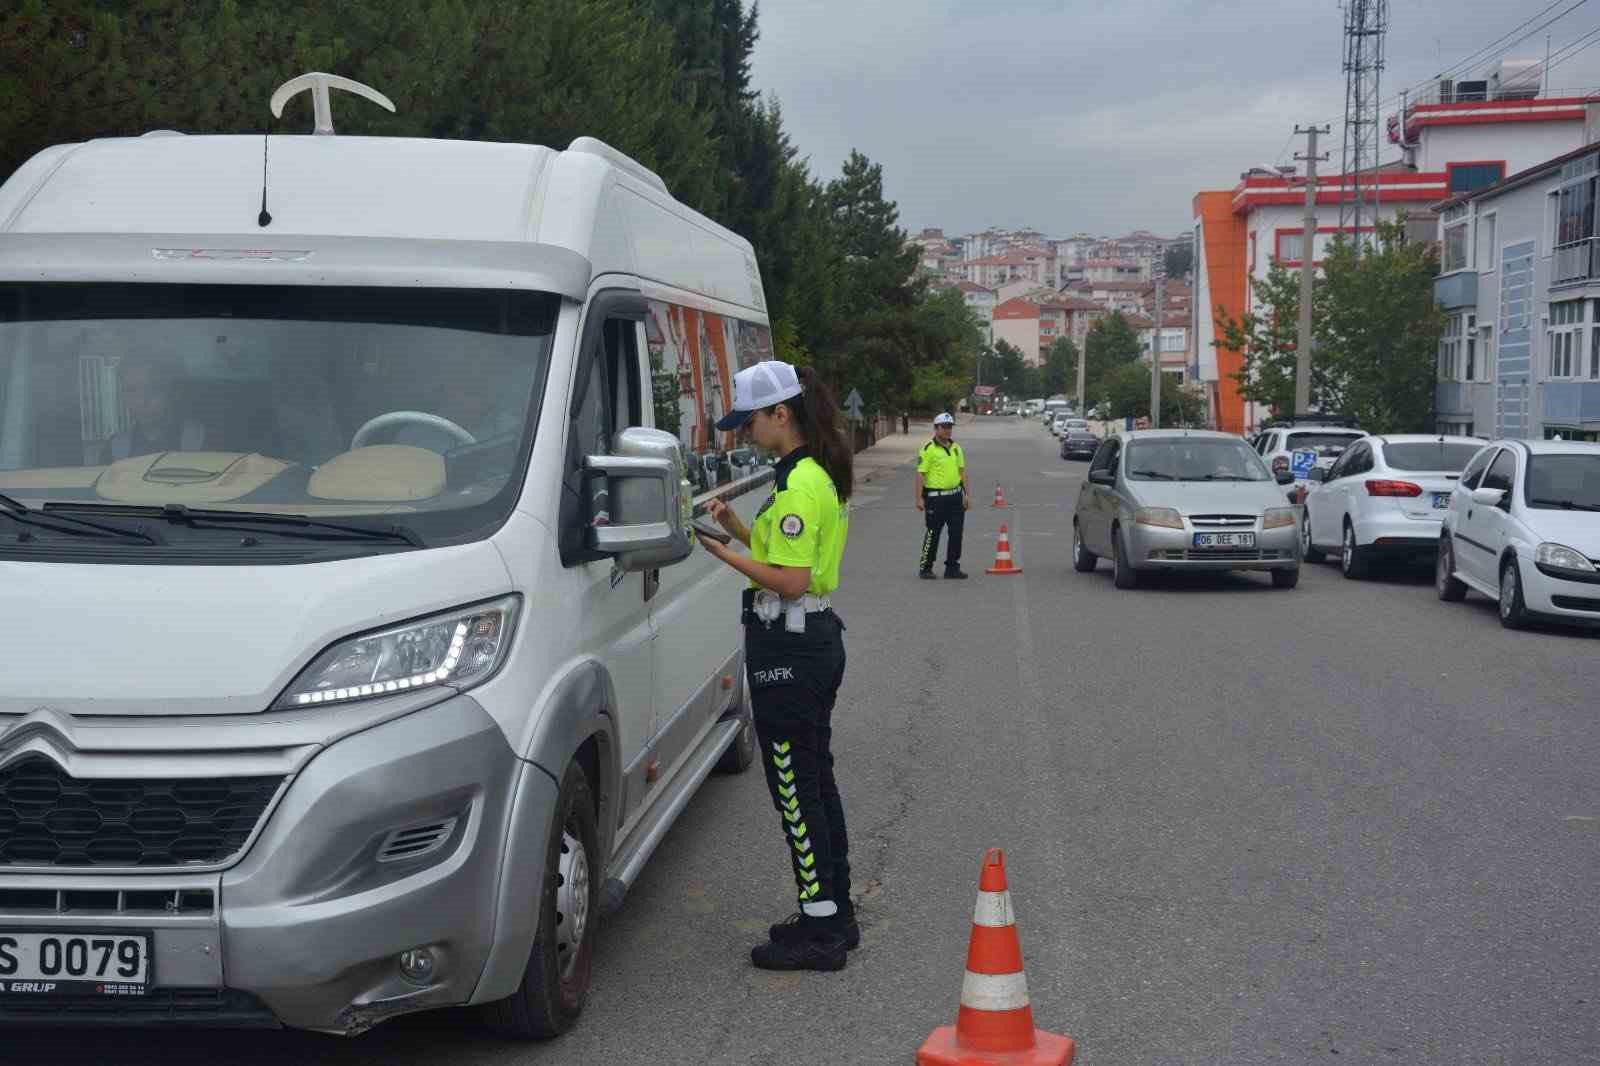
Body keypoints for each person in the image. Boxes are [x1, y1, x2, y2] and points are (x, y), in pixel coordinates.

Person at [697, 360, 857, 972]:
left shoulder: (796, 487)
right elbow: (793, 555)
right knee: (817, 782)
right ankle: (834, 914)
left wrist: (721, 555)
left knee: (794, 788)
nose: (745, 433)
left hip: (789, 650)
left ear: (780, 414)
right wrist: (736, 527)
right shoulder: (813, 473)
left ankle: (819, 934)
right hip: (811, 642)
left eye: (751, 421)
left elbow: (789, 580)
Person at [109, 359, 208, 460]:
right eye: (131, 391)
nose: (141, 401)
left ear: (173, 391)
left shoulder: (202, 440)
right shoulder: (115, 449)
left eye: (152, 388)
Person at [915, 412, 970, 579]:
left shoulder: (956, 448)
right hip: (935, 499)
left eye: (950, 427)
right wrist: (919, 498)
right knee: (933, 533)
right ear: (936, 428)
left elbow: (962, 473)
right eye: (944, 427)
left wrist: (966, 494)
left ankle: (952, 567)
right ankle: (926, 567)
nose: (947, 430)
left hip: (955, 497)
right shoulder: (928, 449)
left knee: (956, 533)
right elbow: (920, 475)